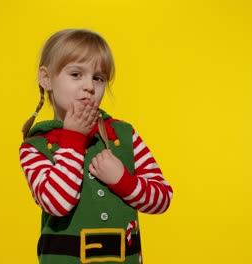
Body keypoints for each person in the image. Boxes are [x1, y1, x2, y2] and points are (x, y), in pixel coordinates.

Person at [19, 29, 173, 264]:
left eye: (98, 78)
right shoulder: (36, 146)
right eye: (76, 74)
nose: (89, 86)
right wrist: (73, 138)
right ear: (46, 78)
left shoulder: (123, 135)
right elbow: (57, 203)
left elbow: (162, 199)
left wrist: (122, 179)